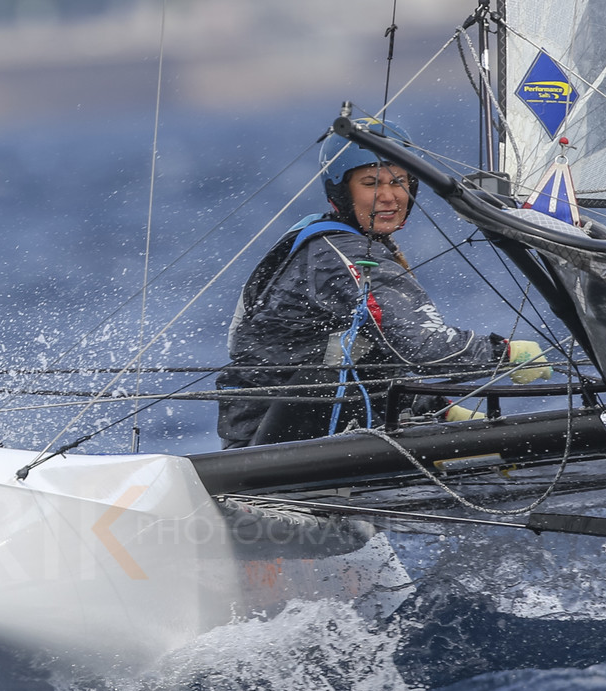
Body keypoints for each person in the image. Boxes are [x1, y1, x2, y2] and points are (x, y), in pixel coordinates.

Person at [216, 116, 549, 448]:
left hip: (308, 423)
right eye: (372, 183)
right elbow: (417, 345)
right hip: (262, 447)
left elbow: (373, 350)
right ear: (342, 191)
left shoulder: (348, 242)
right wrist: (504, 354)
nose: (390, 196)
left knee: (355, 350)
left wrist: (436, 412)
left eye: (400, 182)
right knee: (326, 376)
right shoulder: (339, 253)